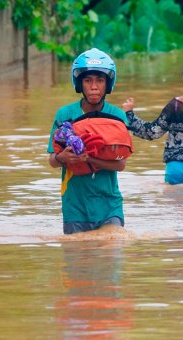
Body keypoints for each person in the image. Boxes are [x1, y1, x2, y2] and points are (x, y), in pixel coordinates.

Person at [47, 48, 128, 235]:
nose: (94, 86)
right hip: (74, 206)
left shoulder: (118, 116)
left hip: (109, 204)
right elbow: (52, 161)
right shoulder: (64, 115)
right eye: (88, 80)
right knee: (78, 261)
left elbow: (121, 164)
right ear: (79, 84)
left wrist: (89, 159)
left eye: (100, 80)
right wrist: (63, 158)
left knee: (111, 256)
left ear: (107, 84)